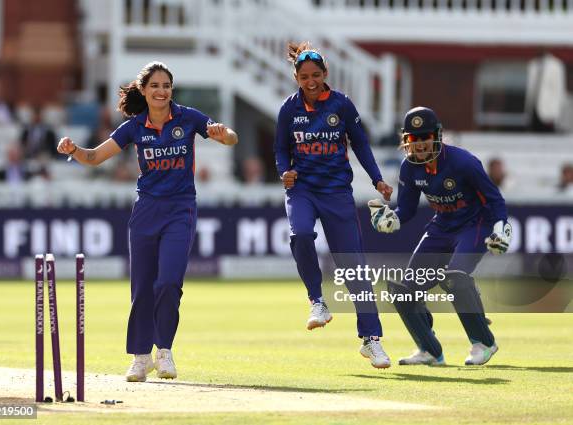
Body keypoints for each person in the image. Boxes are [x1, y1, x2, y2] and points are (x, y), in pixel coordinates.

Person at [57, 61, 238, 381]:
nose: (161, 91)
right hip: (146, 212)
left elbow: (231, 138)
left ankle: (164, 352)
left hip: (181, 210)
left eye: (166, 85)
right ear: (143, 90)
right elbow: (96, 157)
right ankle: (141, 358)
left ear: (172, 90)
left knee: (168, 282)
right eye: (155, 86)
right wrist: (74, 150)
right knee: (142, 288)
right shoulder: (134, 127)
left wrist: (225, 135)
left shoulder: (188, 118)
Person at [273, 42, 393, 368]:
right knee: (299, 235)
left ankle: (372, 340)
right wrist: (284, 171)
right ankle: (317, 301)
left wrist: (377, 179)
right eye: (304, 76)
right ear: (296, 77)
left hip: (337, 192)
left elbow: (361, 143)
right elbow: (281, 149)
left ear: (325, 74)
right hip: (302, 190)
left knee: (353, 265)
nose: (310, 81)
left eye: (316, 75)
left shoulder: (341, 104)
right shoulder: (288, 109)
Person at [369, 106, 511, 366]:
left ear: (437, 135)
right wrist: (394, 218)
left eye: (425, 137)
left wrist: (501, 225)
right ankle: (429, 350)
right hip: (441, 226)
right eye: (414, 138)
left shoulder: (463, 162)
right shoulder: (409, 168)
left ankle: (483, 342)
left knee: (456, 277)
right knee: (405, 291)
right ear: (406, 140)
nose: (420, 144)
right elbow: (408, 209)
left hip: (474, 224)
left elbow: (494, 198)